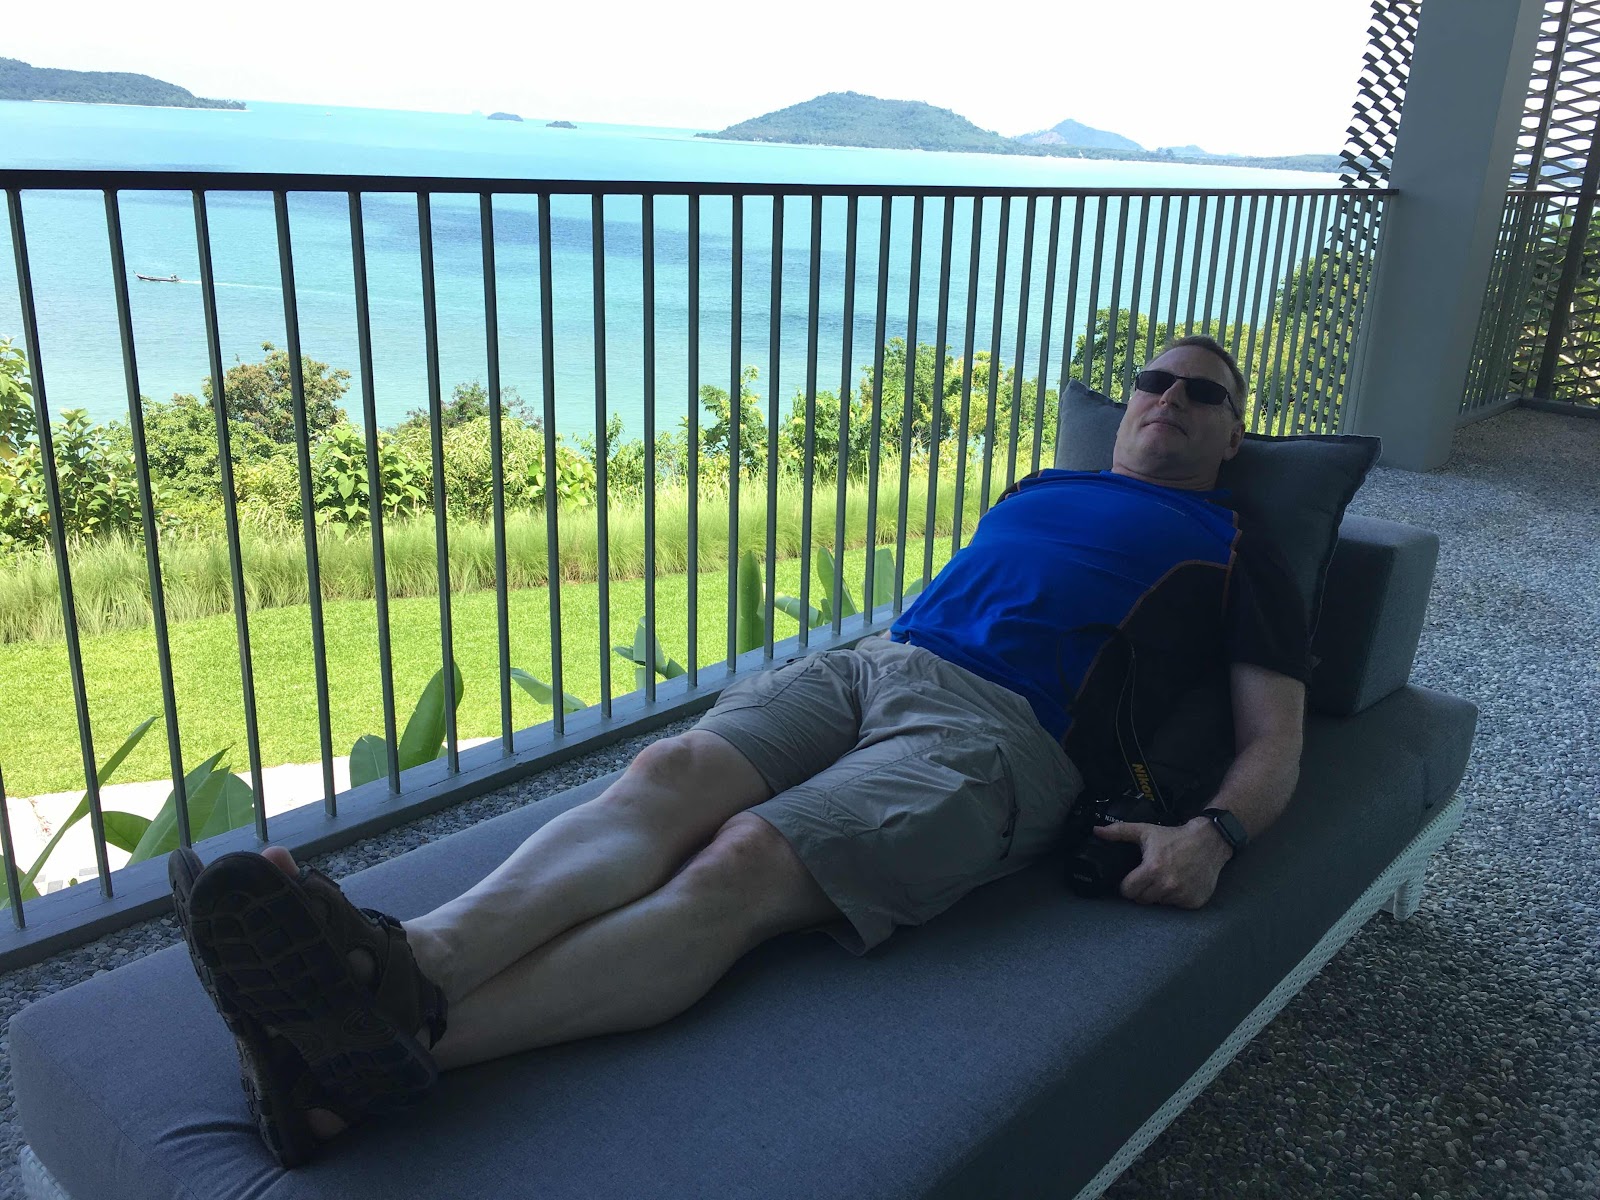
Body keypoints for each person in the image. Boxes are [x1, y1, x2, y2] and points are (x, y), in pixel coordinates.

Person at [170, 334, 1310, 1168]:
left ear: (1232, 435)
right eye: (1152, 381)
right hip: (874, 661)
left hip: (1000, 734)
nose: (1168, 397)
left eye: (1201, 392)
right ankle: (409, 960)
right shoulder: (1043, 484)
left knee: (744, 860)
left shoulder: (1235, 547)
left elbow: (1274, 738)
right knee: (664, 776)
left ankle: (364, 1050)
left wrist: (1212, 836)